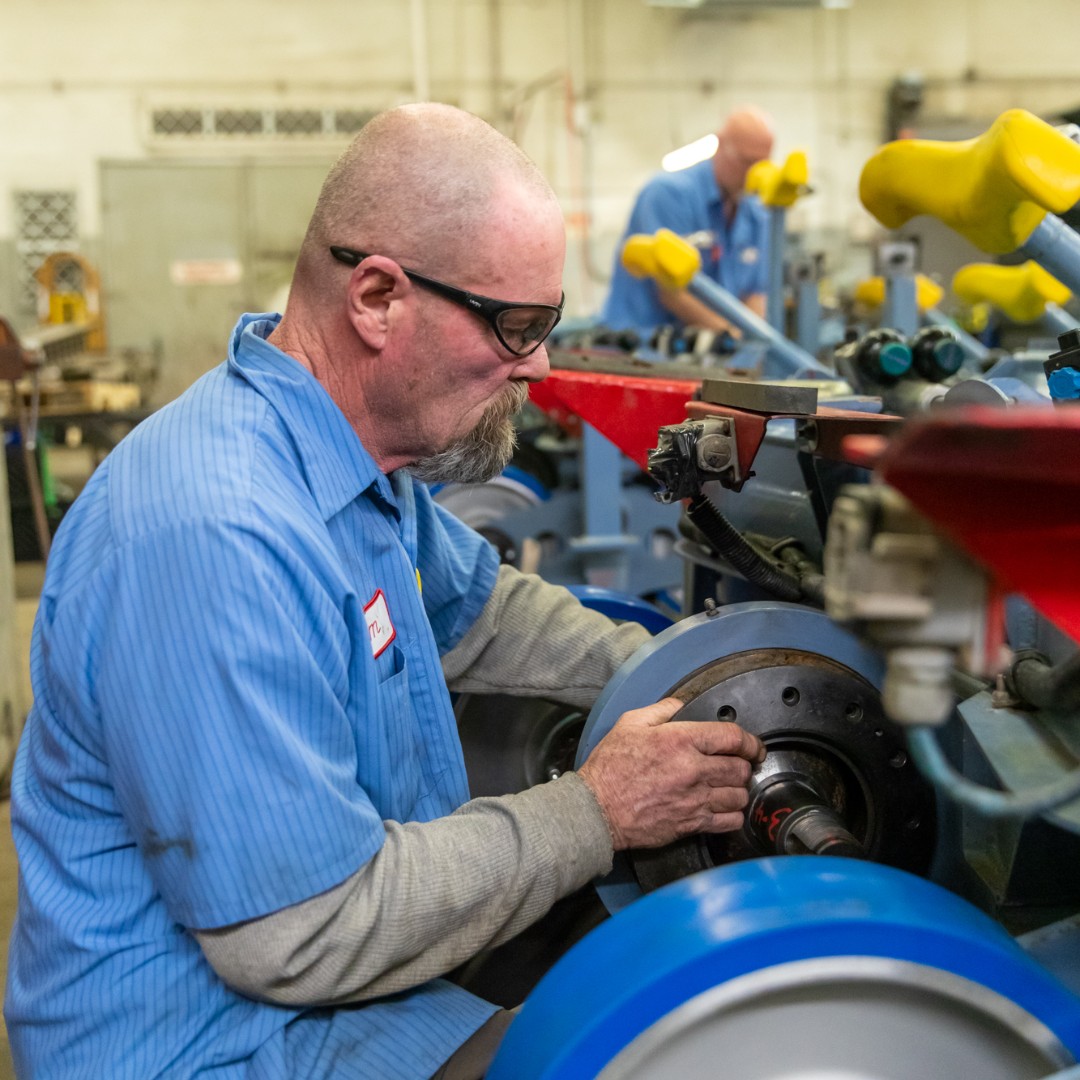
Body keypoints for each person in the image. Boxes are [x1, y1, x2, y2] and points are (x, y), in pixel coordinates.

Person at [4, 103, 765, 1080]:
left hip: (350, 1009)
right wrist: (598, 811)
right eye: (516, 325)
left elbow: (485, 610)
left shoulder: (354, 469)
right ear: (376, 299)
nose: (537, 364)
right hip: (213, 1047)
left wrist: (694, 680)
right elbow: (299, 935)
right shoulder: (217, 534)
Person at [601, 106, 775, 341]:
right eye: (746, 162)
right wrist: (731, 337)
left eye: (761, 164)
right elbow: (671, 293)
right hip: (639, 345)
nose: (753, 174)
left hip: (707, 346)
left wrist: (754, 340)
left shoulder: (756, 213)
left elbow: (755, 293)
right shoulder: (667, 195)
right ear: (721, 146)